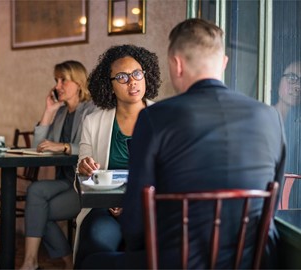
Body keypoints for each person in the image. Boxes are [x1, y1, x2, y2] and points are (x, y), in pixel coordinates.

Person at [82, 18, 286, 269]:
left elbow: (135, 219)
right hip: (251, 260)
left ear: (176, 64)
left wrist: (138, 247)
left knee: (90, 263)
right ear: (223, 63)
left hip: (178, 260)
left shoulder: (156, 118)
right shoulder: (269, 116)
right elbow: (273, 206)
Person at [74, 44, 161, 268]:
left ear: (145, 76)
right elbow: (82, 179)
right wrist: (84, 167)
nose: (132, 81)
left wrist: (134, 205)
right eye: (121, 77)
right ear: (109, 85)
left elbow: (172, 175)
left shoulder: (164, 118)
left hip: (151, 209)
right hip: (105, 207)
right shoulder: (93, 122)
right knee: (96, 239)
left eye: (137, 74)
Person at [19, 60, 97, 270]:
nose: (57, 86)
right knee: (35, 191)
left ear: (79, 83)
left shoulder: (92, 110)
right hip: (65, 181)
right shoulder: (61, 113)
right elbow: (39, 148)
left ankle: (37, 262)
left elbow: (93, 148)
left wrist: (63, 146)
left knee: (38, 210)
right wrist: (49, 111)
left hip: (84, 184)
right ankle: (34, 261)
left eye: (64, 80)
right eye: (56, 80)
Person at [273, 61, 301, 207]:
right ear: (278, 82)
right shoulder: (264, 117)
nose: (297, 86)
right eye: (291, 78)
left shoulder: (298, 125)